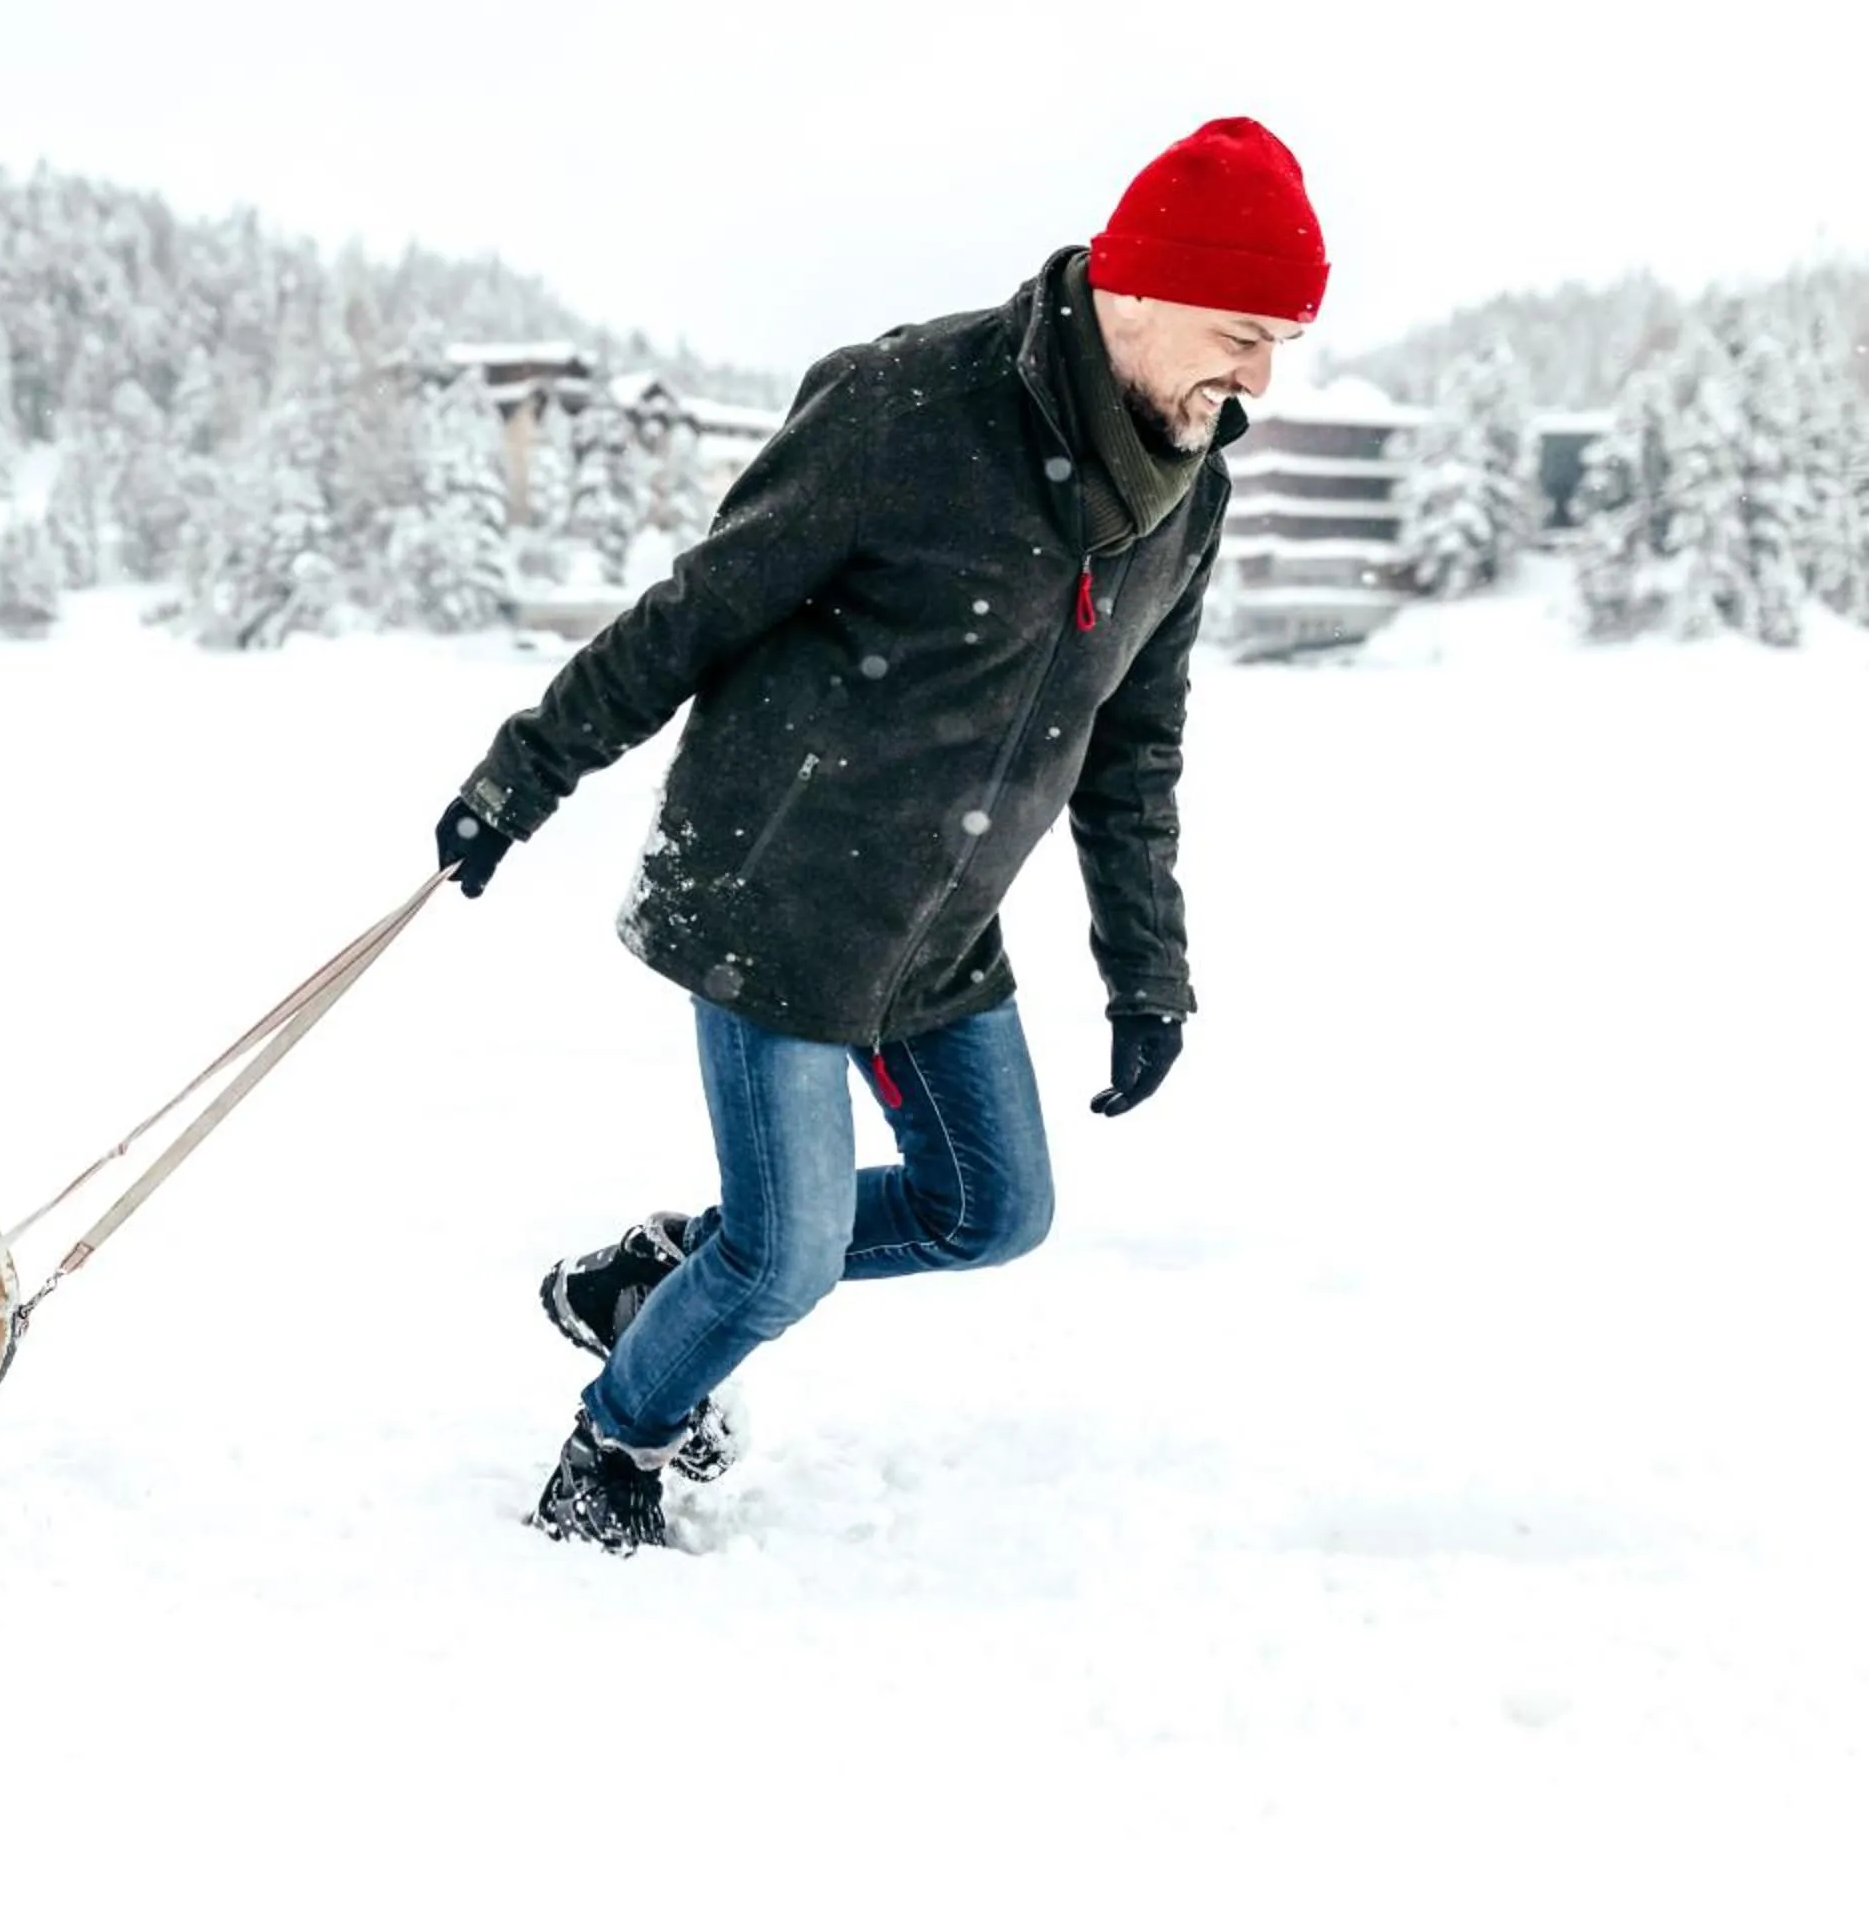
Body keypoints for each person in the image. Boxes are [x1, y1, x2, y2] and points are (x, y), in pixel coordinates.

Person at [431, 118, 1330, 1553]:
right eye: (1241, 333)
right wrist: (521, 775)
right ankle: (617, 1443)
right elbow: (697, 609)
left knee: (994, 1207)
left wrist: (1145, 969)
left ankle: (668, 1277)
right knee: (780, 1258)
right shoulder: (913, 405)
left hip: (938, 919)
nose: (1259, 379)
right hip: (777, 886)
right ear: (1140, 288)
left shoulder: (1188, 491)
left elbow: (1134, 746)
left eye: (1282, 343)